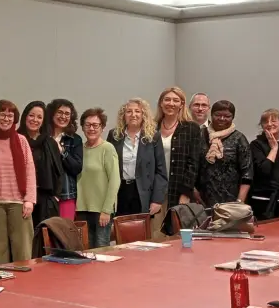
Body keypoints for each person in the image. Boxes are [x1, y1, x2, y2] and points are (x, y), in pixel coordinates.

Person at [0, 100, 34, 262]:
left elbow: (30, 170)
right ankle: (3, 278)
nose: (6, 119)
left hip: (19, 202)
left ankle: (24, 278)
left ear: (14, 119)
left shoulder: (21, 140)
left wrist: (30, 200)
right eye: (2, 114)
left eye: (10, 115)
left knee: (22, 250)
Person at [155, 86, 203, 236]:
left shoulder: (191, 128)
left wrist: (185, 193)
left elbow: (193, 163)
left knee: (176, 234)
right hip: (155, 190)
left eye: (176, 100)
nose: (171, 103)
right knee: (155, 235)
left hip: (178, 189)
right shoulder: (151, 127)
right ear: (161, 103)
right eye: (167, 99)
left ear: (182, 104)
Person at [106, 98, 166, 218]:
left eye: (137, 111)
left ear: (143, 115)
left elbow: (160, 171)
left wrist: (157, 200)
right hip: (120, 191)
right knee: (119, 227)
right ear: (123, 115)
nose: (133, 115)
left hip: (143, 192)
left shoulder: (153, 136)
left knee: (141, 228)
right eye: (129, 111)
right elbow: (107, 166)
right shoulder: (114, 135)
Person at [77, 108, 120, 248]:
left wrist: (107, 210)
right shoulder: (79, 149)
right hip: (81, 210)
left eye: (95, 125)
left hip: (101, 211)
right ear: (82, 127)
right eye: (87, 125)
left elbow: (114, 181)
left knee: (101, 250)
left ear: (102, 128)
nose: (91, 129)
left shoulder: (108, 148)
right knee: (84, 250)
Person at [198, 100, 252, 206]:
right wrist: (193, 192)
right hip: (200, 199)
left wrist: (239, 202)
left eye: (227, 116)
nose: (222, 118)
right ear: (211, 115)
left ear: (233, 117)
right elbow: (191, 166)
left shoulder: (239, 138)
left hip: (231, 201)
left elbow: (247, 173)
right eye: (218, 115)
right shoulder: (200, 135)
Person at [19, 100, 64, 226]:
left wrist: (56, 197)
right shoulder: (17, 140)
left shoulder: (50, 143)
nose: (35, 120)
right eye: (31, 115)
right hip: (21, 198)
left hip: (45, 199)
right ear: (25, 117)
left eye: (39, 117)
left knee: (45, 235)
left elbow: (59, 172)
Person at [248, 109, 279, 220]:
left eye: (273, 121)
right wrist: (274, 149)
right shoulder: (256, 145)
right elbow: (264, 170)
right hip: (261, 199)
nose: (269, 124)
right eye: (265, 122)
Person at [48, 99, 83, 219]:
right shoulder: (44, 137)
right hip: (45, 195)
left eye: (67, 114)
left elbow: (76, 168)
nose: (63, 117)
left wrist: (62, 151)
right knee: (45, 229)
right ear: (52, 114)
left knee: (65, 228)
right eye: (59, 112)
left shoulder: (75, 139)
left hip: (66, 194)